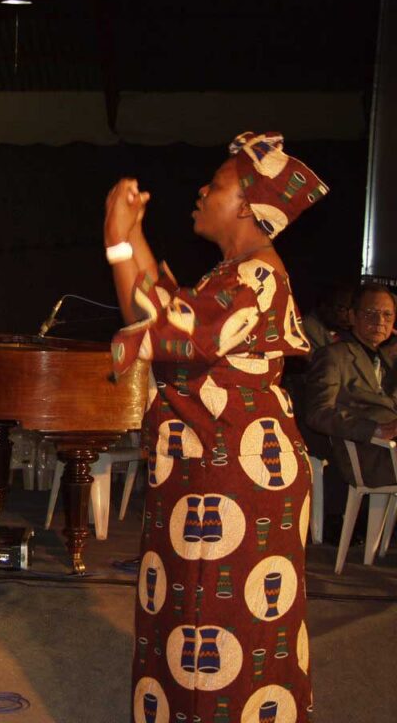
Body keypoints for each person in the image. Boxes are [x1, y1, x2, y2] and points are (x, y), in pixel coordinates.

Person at [105, 131, 328, 722]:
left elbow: (168, 336)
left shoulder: (253, 278)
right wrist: (132, 237)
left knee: (214, 614)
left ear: (251, 208)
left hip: (233, 472)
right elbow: (169, 307)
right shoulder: (234, 275)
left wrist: (116, 246)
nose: (203, 190)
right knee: (201, 611)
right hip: (223, 465)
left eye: (219, 184)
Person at [304, 283, 397, 534]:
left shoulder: (388, 359)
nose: (380, 321)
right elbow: (317, 413)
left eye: (387, 315)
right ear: (352, 316)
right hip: (368, 453)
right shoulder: (334, 356)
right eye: (370, 313)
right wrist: (376, 429)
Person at [301, 282, 353, 352]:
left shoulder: (339, 331)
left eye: (351, 309)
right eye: (342, 309)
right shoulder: (307, 327)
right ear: (323, 307)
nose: (348, 316)